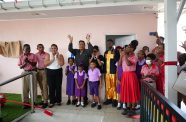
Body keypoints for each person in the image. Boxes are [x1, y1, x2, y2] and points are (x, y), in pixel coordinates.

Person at [68, 34, 93, 105]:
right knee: (77, 85)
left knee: (84, 85)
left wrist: (88, 40)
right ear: (78, 45)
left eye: (82, 44)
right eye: (80, 44)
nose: (81, 45)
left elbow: (91, 49)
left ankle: (84, 99)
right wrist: (70, 41)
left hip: (84, 71)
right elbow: (70, 49)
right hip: (77, 71)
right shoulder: (76, 51)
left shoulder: (87, 51)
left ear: (84, 45)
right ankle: (78, 98)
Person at [120, 40, 140, 116]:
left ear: (132, 49)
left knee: (132, 92)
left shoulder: (134, 57)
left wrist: (124, 55)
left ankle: (133, 109)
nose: (126, 48)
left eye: (128, 47)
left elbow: (128, 64)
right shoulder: (124, 56)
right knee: (127, 91)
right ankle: (128, 108)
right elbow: (119, 64)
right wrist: (121, 56)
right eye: (127, 47)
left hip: (131, 75)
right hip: (125, 75)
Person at [18, 44, 37, 109]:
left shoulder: (33, 55)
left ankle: (33, 102)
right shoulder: (21, 56)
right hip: (24, 72)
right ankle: (25, 103)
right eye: (26, 49)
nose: (27, 50)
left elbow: (34, 64)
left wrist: (28, 61)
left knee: (33, 88)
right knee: (24, 88)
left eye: (29, 49)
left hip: (32, 72)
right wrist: (25, 63)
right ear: (23, 50)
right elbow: (20, 66)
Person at [103, 39, 120, 107]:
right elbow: (104, 62)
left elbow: (118, 61)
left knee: (114, 86)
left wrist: (115, 53)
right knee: (108, 86)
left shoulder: (116, 51)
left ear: (113, 43)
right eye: (108, 43)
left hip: (113, 72)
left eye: (110, 43)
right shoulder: (106, 52)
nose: (109, 44)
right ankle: (109, 99)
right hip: (107, 72)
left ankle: (114, 100)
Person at [35, 44, 49, 108]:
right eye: (39, 47)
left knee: (44, 86)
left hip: (44, 71)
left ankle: (46, 101)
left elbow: (47, 63)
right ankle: (43, 99)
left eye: (42, 47)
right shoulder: (36, 55)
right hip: (38, 71)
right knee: (41, 86)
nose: (41, 48)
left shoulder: (46, 54)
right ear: (37, 48)